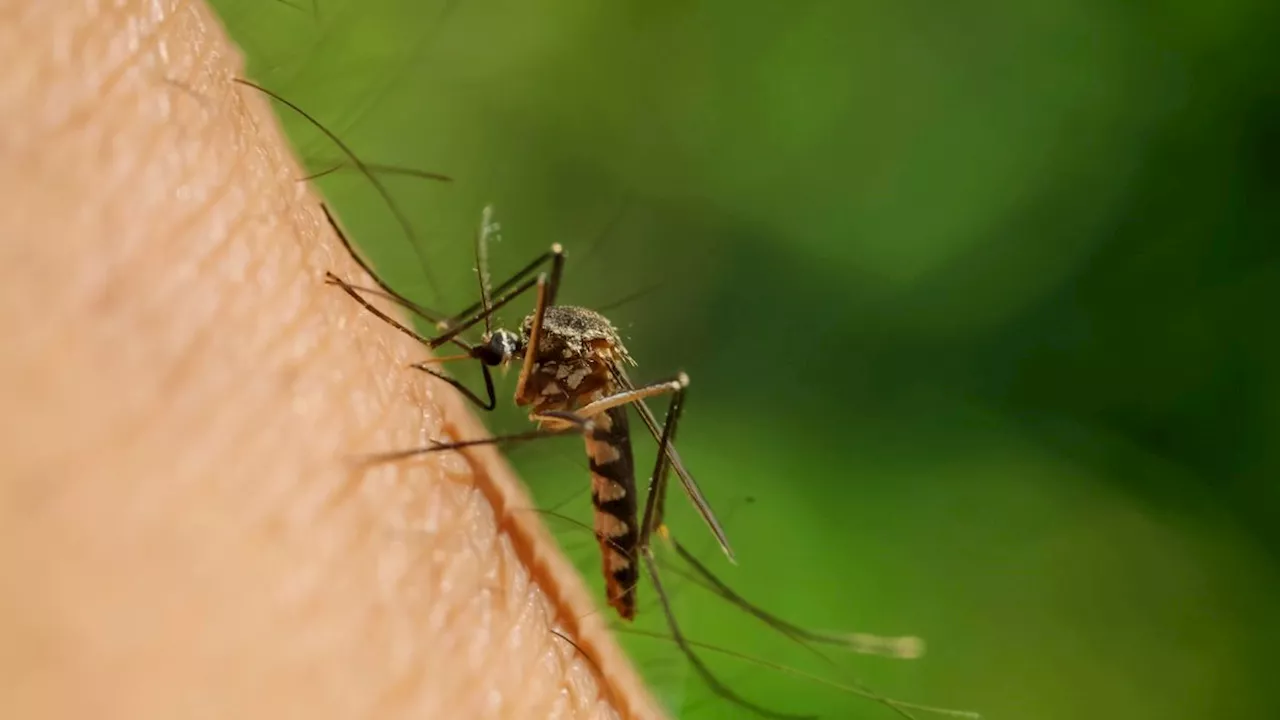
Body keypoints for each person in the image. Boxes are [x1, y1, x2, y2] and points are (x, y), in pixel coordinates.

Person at [0, 2, 659, 717]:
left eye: (499, 347)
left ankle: (641, 550)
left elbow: (582, 389)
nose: (496, 354)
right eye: (501, 345)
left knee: (604, 379)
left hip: (607, 437)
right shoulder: (536, 336)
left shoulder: (567, 355)